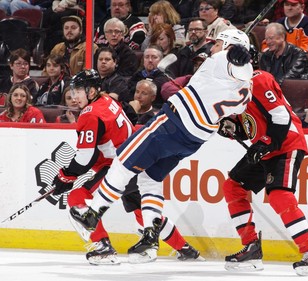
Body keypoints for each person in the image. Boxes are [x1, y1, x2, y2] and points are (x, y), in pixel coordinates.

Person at [68, 29, 253, 261]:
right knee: (149, 180)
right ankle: (149, 238)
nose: (212, 47)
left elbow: (236, 64)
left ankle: (94, 212)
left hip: (174, 123)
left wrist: (237, 56)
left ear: (228, 45)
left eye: (216, 43)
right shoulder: (245, 88)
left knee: (124, 159)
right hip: (195, 138)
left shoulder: (225, 59)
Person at [219, 70, 308, 276]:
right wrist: (233, 128)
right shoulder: (232, 87)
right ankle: (251, 247)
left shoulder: (258, 79)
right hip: (265, 149)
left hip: (286, 143)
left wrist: (265, 144)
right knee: (232, 186)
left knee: (279, 195)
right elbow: (249, 124)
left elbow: (280, 116)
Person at [51, 69, 135, 265]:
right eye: (73, 90)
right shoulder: (108, 101)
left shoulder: (90, 113)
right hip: (135, 161)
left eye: (80, 90)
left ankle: (103, 247)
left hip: (118, 167)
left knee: (76, 197)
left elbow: (87, 156)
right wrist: (69, 175)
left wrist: (66, 175)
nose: (74, 96)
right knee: (144, 209)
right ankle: (185, 249)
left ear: (92, 91)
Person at [126, 45, 169, 109]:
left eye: (154, 57)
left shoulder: (163, 76)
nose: (150, 60)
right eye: (147, 57)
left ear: (161, 61)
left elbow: (149, 89)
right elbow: (127, 91)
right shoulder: (137, 74)